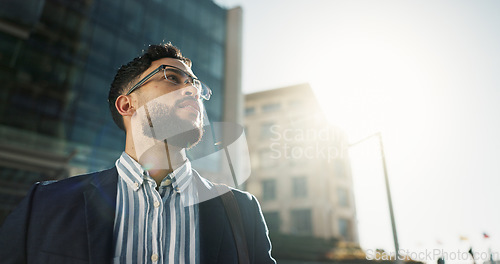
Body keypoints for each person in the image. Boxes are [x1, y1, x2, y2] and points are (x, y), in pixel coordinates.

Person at [0, 43, 275, 264]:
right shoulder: (46, 203)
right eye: (172, 78)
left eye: (195, 85)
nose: (192, 90)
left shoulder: (242, 211)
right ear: (126, 104)